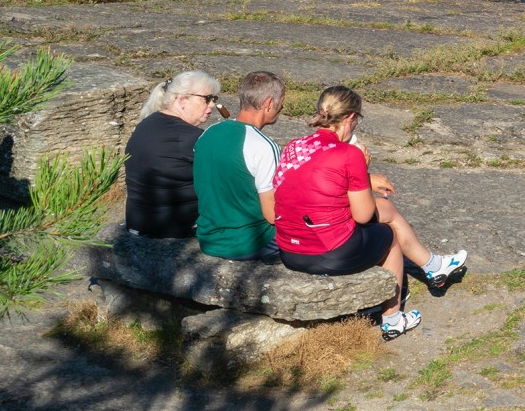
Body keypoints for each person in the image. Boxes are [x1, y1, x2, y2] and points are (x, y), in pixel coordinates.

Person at [274, 87, 467, 341]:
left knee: (385, 209)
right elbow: (363, 215)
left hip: (290, 250)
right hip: (329, 251)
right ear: (351, 118)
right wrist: (362, 172)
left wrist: (361, 179)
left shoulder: (294, 147)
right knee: (388, 235)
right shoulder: (349, 153)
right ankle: (393, 320)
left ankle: (433, 266)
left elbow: (316, 189)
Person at [194, 71, 285, 260]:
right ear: (268, 103)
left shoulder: (209, 133)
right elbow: (272, 215)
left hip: (208, 238)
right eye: (280, 104)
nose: (281, 108)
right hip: (251, 242)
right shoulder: (265, 146)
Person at [124, 71, 221, 238]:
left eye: (214, 99)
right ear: (182, 100)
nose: (212, 104)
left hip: (137, 220)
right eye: (206, 98)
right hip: (173, 229)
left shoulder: (147, 124)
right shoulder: (189, 137)